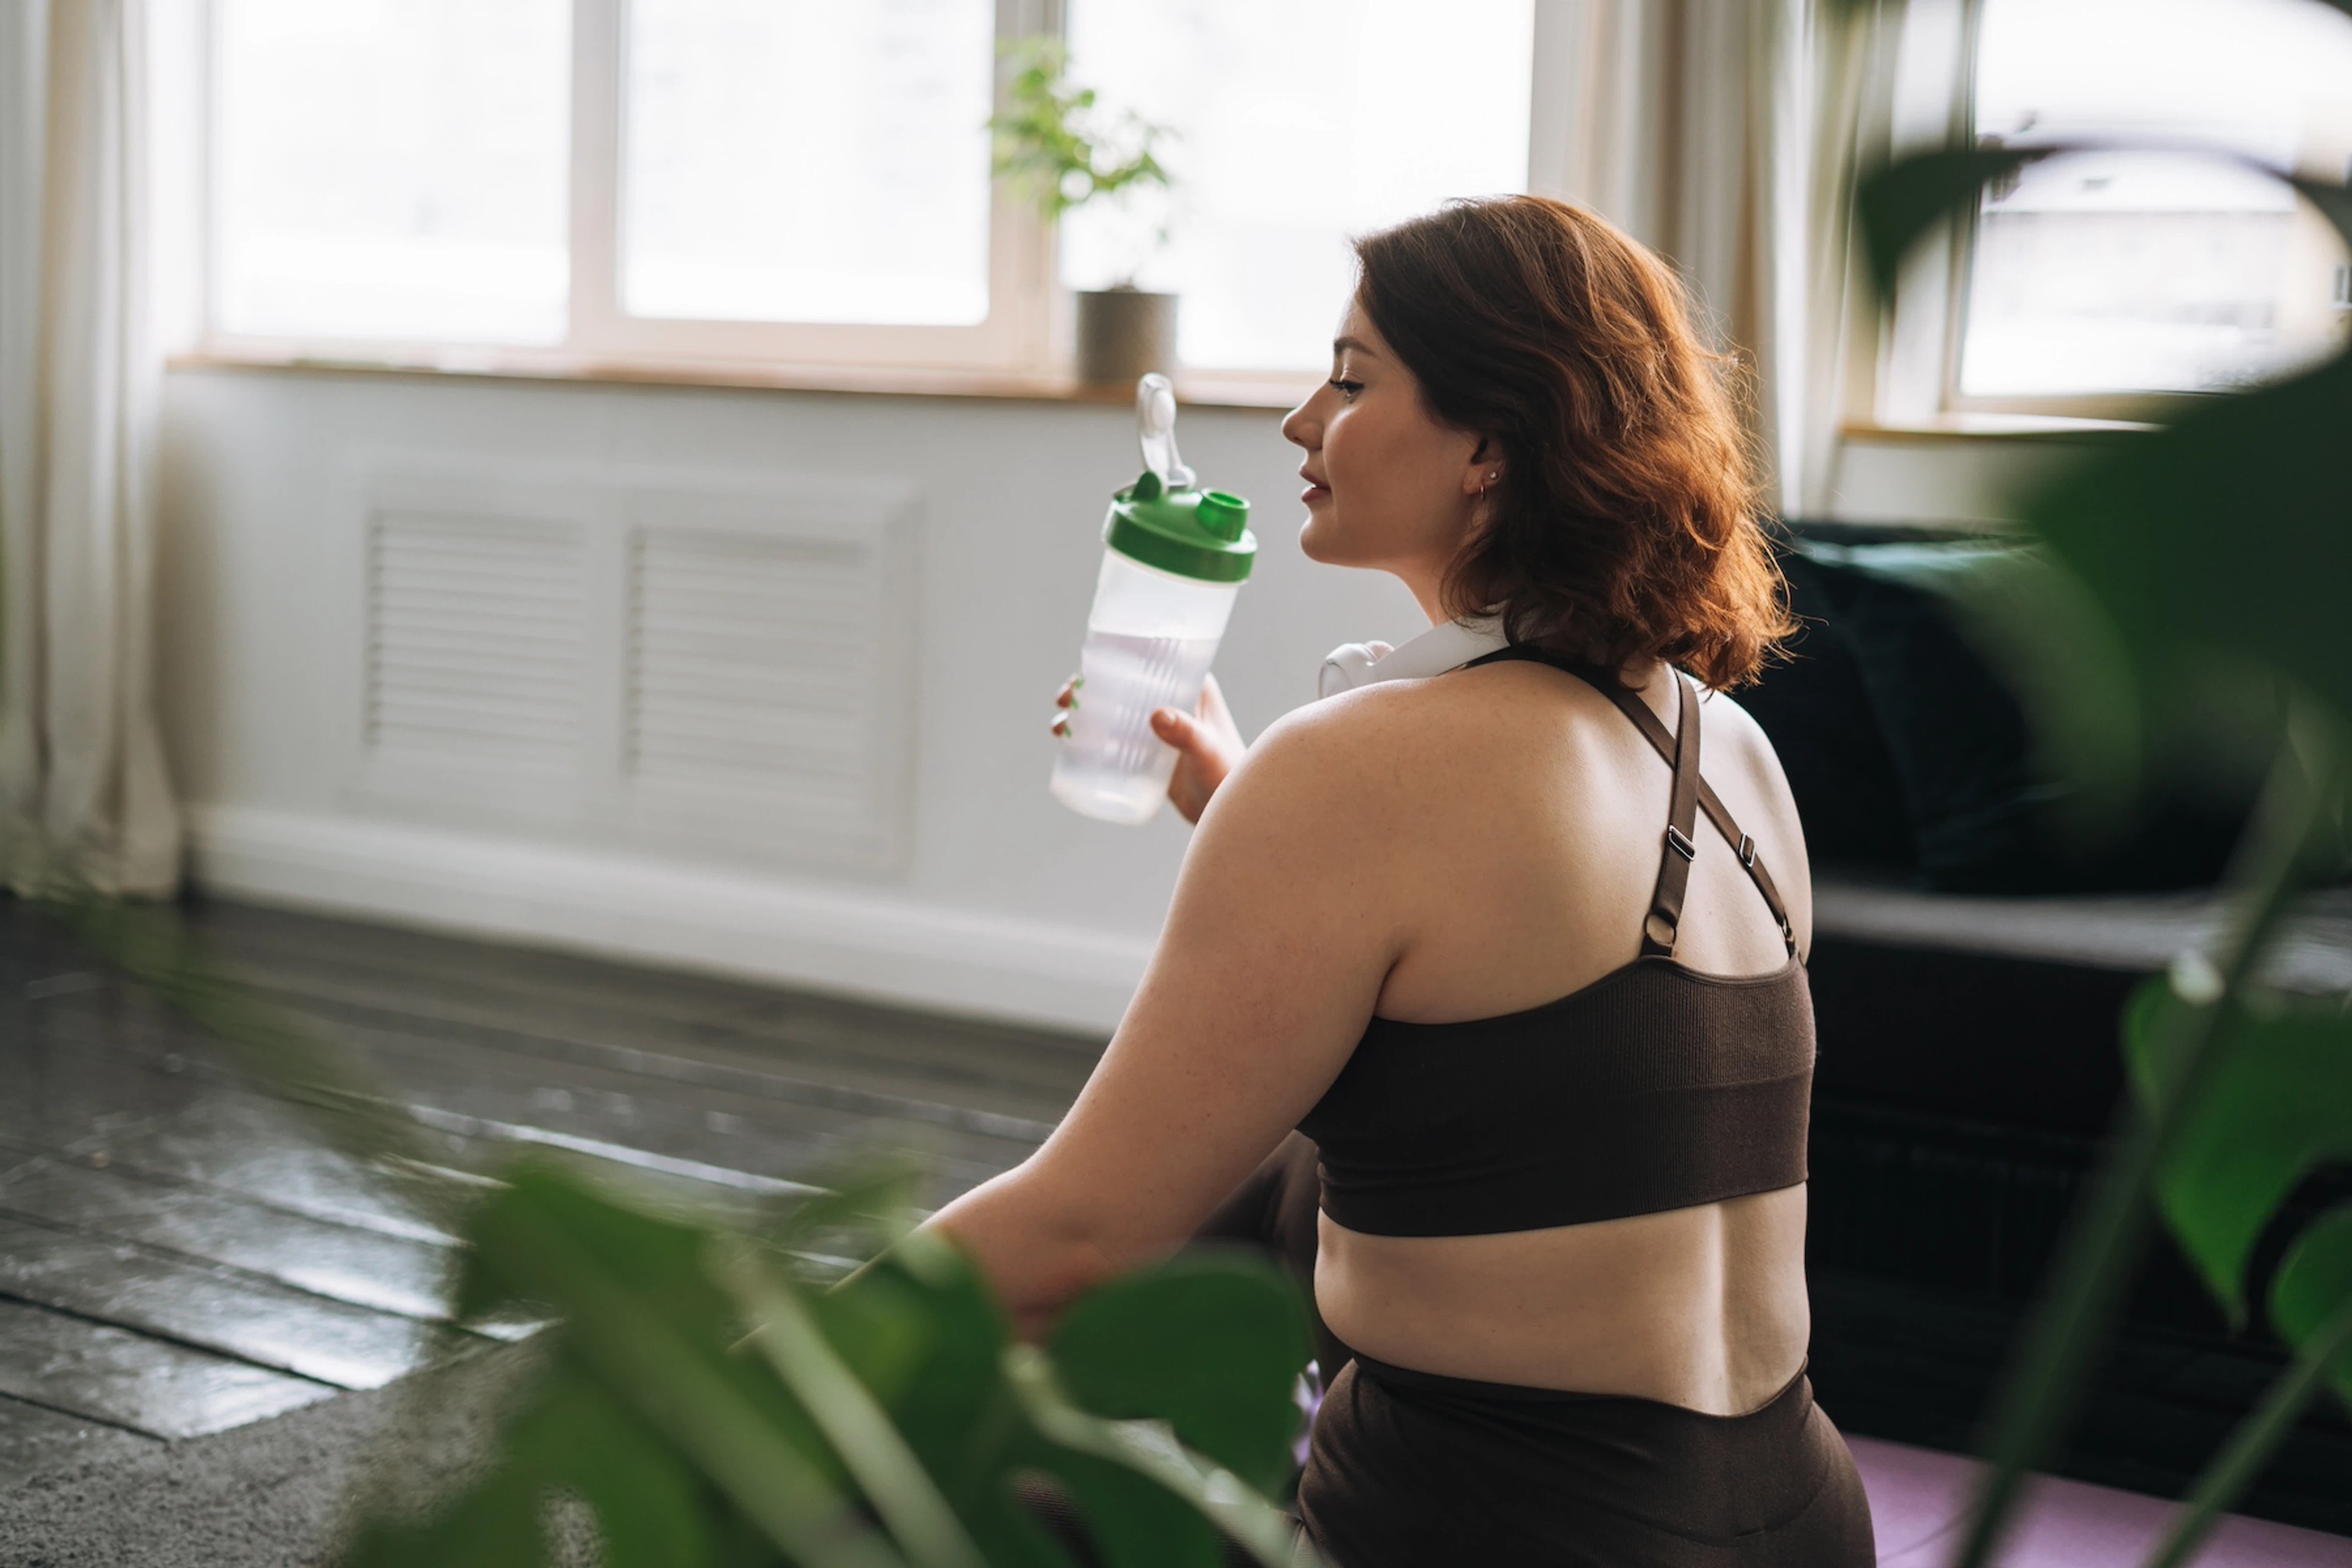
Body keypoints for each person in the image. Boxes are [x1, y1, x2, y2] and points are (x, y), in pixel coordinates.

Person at [929, 194, 1875, 1566]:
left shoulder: (1364, 769)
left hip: (1511, 1532)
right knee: (1304, 1153)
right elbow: (1562, 1068)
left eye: (1353, 378)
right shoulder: (1729, 748)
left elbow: (1075, 1236)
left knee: (911, 1469)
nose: (1303, 422)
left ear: (1491, 444)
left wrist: (737, 1355)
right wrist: (1241, 809)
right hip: (1793, 1513)